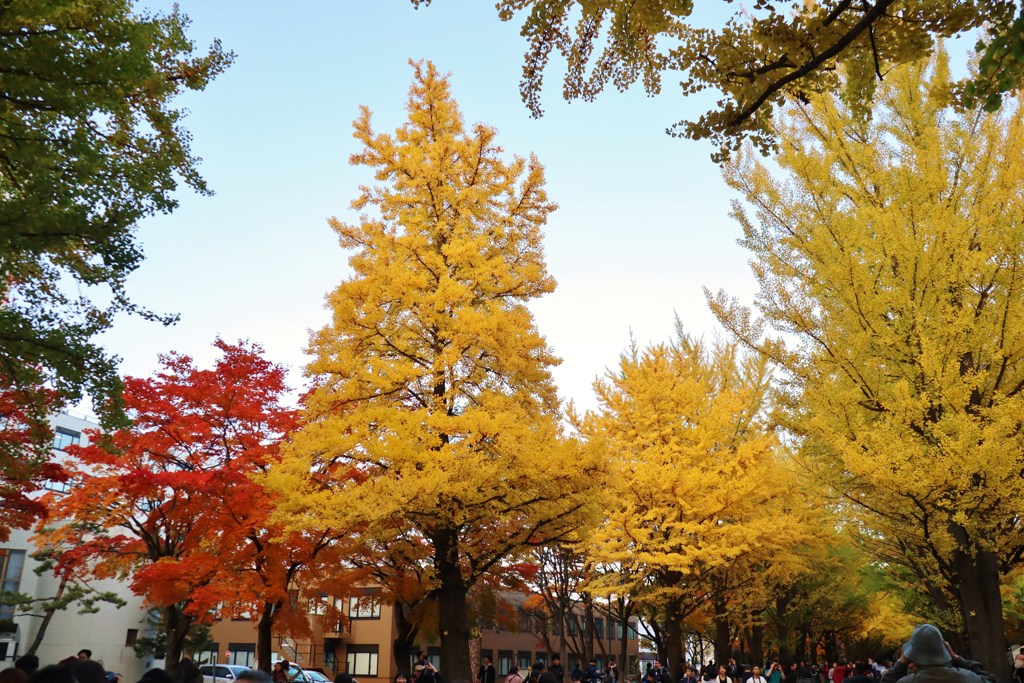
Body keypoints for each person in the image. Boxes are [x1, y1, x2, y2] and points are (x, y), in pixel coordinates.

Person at [881, 624, 995, 683]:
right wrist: (956, 658)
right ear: (944, 649)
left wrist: (900, 662)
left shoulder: (909, 681)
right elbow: (992, 679)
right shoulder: (968, 677)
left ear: (912, 655)